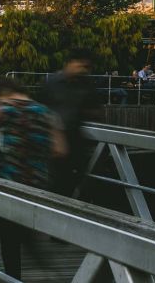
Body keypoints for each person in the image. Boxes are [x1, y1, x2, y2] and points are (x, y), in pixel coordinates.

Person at [0, 77, 66, 279]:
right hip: (38, 180)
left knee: (8, 235)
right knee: (26, 228)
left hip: (10, 178)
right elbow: (60, 150)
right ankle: (43, 263)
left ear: (2, 93)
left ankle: (14, 275)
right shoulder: (46, 112)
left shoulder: (6, 107)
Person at [37, 48, 100, 198]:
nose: (84, 70)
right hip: (51, 142)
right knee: (52, 183)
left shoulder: (87, 84)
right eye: (81, 66)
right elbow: (39, 109)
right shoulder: (52, 83)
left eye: (87, 67)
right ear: (70, 63)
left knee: (71, 183)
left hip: (75, 142)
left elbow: (96, 110)